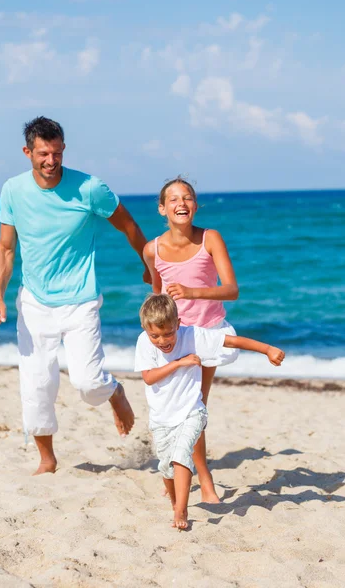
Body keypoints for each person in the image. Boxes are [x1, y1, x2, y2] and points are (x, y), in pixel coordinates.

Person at [0, 116, 150, 476]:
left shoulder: (90, 188)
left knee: (89, 383)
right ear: (27, 152)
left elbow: (128, 225)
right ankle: (47, 459)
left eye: (57, 153)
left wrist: (147, 263)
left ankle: (115, 392)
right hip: (34, 302)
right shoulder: (13, 190)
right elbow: (6, 248)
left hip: (80, 300)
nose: (51, 161)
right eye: (43, 153)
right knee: (37, 384)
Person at [134, 294, 285, 530]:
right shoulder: (144, 342)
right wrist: (179, 363)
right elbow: (148, 377)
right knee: (166, 466)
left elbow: (231, 342)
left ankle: (181, 510)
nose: (162, 340)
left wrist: (267, 349)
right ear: (146, 330)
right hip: (161, 416)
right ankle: (176, 504)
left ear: (179, 322)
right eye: (155, 335)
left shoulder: (193, 335)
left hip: (192, 410)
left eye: (168, 333)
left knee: (182, 454)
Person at [142, 177, 239, 503]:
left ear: (195, 205)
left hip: (207, 333)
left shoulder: (210, 239)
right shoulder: (152, 250)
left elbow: (231, 290)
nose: (181, 203)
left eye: (188, 198)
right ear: (162, 208)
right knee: (185, 411)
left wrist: (192, 292)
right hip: (174, 339)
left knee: (195, 408)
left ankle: (203, 480)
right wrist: (152, 334)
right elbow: (156, 295)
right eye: (173, 199)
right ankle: (187, 472)